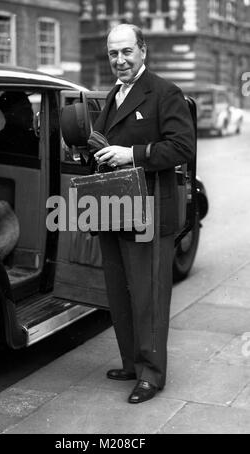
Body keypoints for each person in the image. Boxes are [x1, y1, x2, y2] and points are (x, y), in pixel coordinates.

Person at [92, 24, 195, 404]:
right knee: (120, 293)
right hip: (115, 208)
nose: (119, 60)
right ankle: (133, 364)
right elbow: (106, 138)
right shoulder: (114, 95)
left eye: (126, 52)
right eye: (113, 53)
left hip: (150, 210)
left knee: (149, 297)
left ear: (143, 51)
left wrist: (131, 155)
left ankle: (151, 374)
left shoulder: (165, 92)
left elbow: (181, 147)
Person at [0, 91, 39, 156]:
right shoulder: (32, 142)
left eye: (30, 108)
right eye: (24, 110)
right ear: (10, 115)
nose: (31, 113)